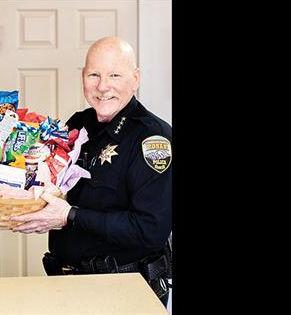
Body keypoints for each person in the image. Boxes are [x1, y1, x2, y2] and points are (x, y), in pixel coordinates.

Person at [11, 36, 172, 307]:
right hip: (67, 287)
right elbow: (59, 186)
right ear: (83, 77)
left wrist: (68, 216)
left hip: (127, 292)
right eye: (94, 74)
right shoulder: (78, 124)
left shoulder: (153, 139)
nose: (102, 86)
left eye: (115, 75)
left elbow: (150, 229)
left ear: (136, 79)